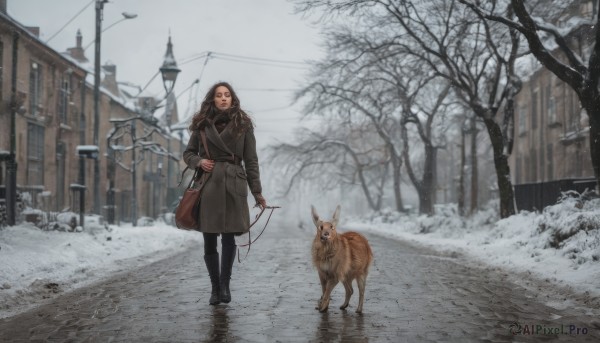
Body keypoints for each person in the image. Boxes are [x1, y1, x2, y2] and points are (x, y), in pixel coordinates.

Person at [183, 81, 267, 305]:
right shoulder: (202, 125)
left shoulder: (243, 124)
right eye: (219, 95)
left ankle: (225, 286)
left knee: (229, 236)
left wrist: (256, 192)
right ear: (213, 99)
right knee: (209, 238)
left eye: (227, 95)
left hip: (233, 182)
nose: (223, 98)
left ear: (232, 99)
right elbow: (188, 153)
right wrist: (199, 161)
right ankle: (214, 288)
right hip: (208, 184)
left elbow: (251, 161)